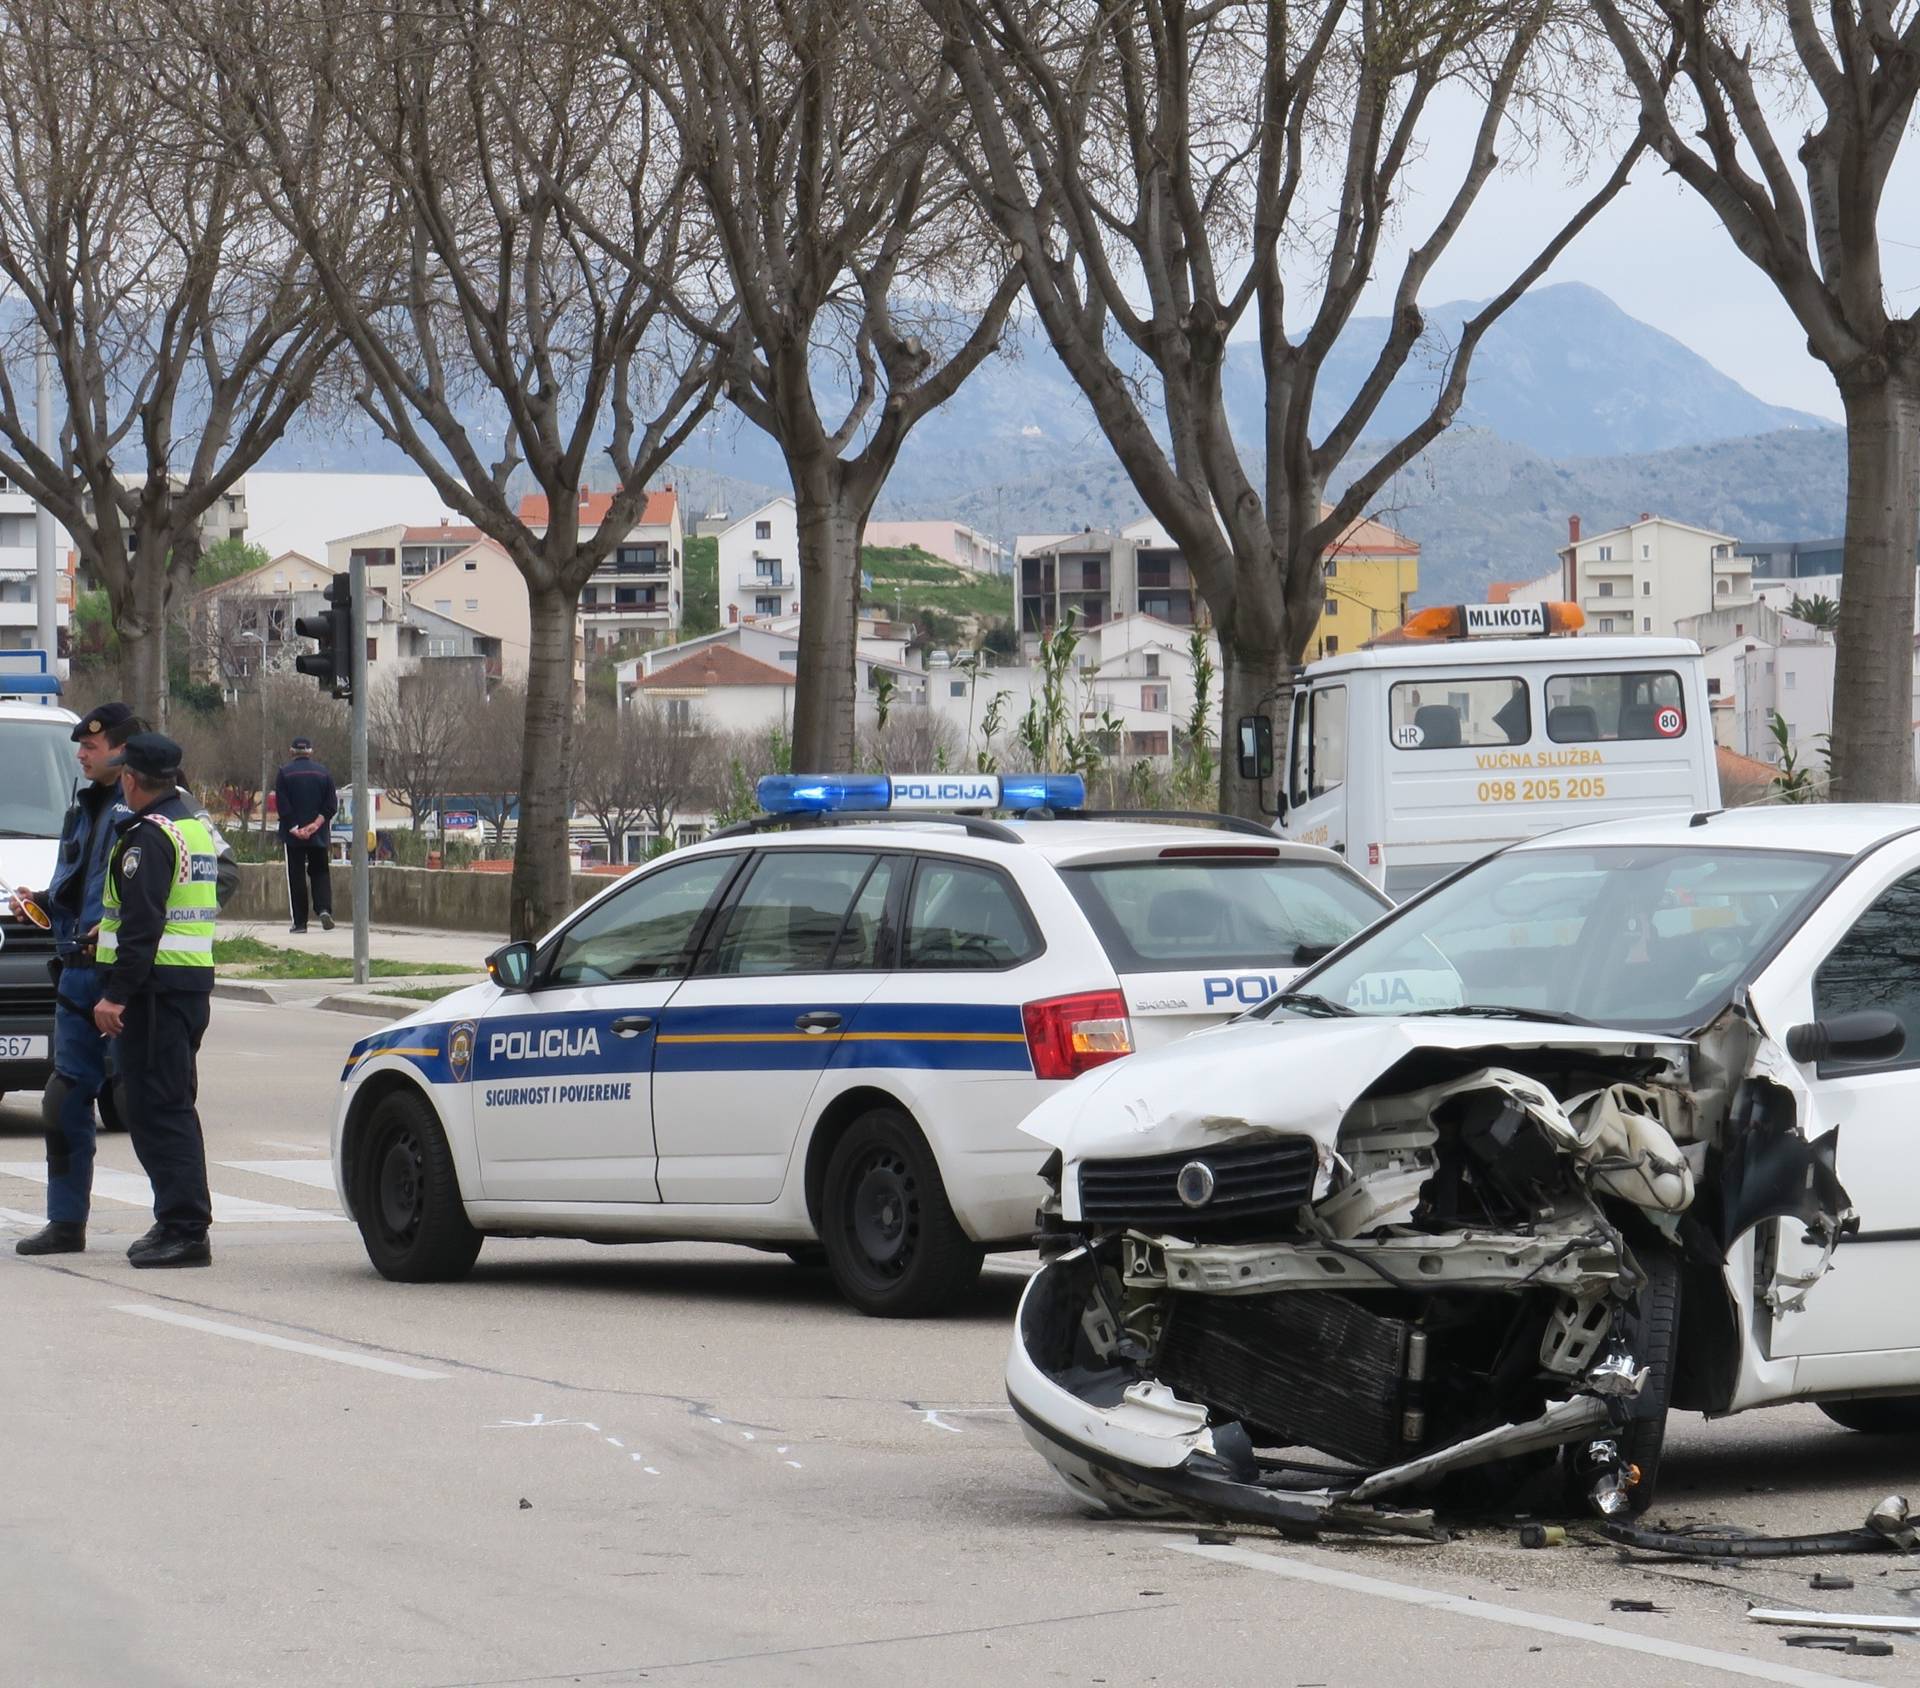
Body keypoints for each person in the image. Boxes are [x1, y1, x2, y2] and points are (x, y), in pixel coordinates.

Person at [11, 703, 142, 1256]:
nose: (81, 756)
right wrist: (40, 902)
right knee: (64, 1101)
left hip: (131, 981)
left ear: (120, 750)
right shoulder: (83, 806)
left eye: (89, 747)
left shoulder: (158, 805)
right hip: (76, 975)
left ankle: (181, 1226)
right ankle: (66, 1223)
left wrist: (130, 928)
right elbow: (75, 882)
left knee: (152, 1105)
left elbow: (215, 877)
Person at [95, 733, 222, 1270]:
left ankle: (186, 1229)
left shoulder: (148, 837)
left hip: (154, 994)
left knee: (157, 1111)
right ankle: (177, 1218)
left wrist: (114, 994)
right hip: (182, 988)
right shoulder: (193, 828)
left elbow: (142, 923)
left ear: (130, 779)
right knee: (170, 1106)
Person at [275, 735, 337, 933]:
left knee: (296, 876)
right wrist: (315, 825)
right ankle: (324, 909)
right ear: (310, 752)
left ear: (292, 751)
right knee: (320, 873)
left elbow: (283, 805)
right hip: (318, 834)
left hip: (293, 837)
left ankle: (300, 922)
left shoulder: (284, 773)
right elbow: (330, 806)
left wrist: (295, 828)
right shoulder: (324, 773)